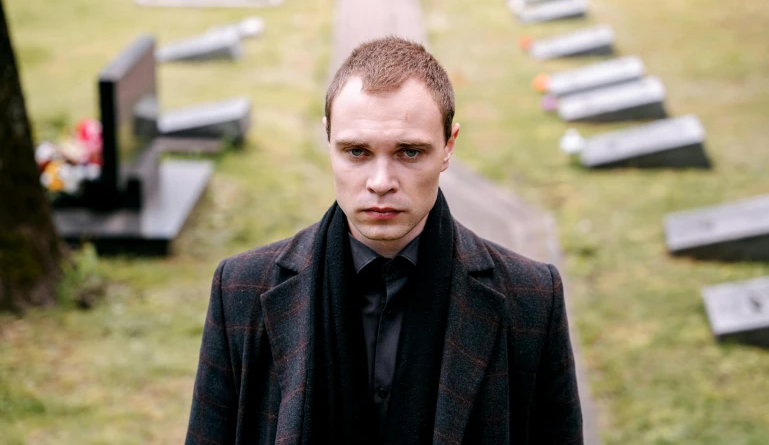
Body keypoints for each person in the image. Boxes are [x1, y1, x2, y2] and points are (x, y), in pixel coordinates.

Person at [185, 37, 583, 445]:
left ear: (448, 147)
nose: (380, 183)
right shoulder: (239, 289)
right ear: (328, 140)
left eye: (409, 153)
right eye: (356, 151)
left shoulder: (532, 298)